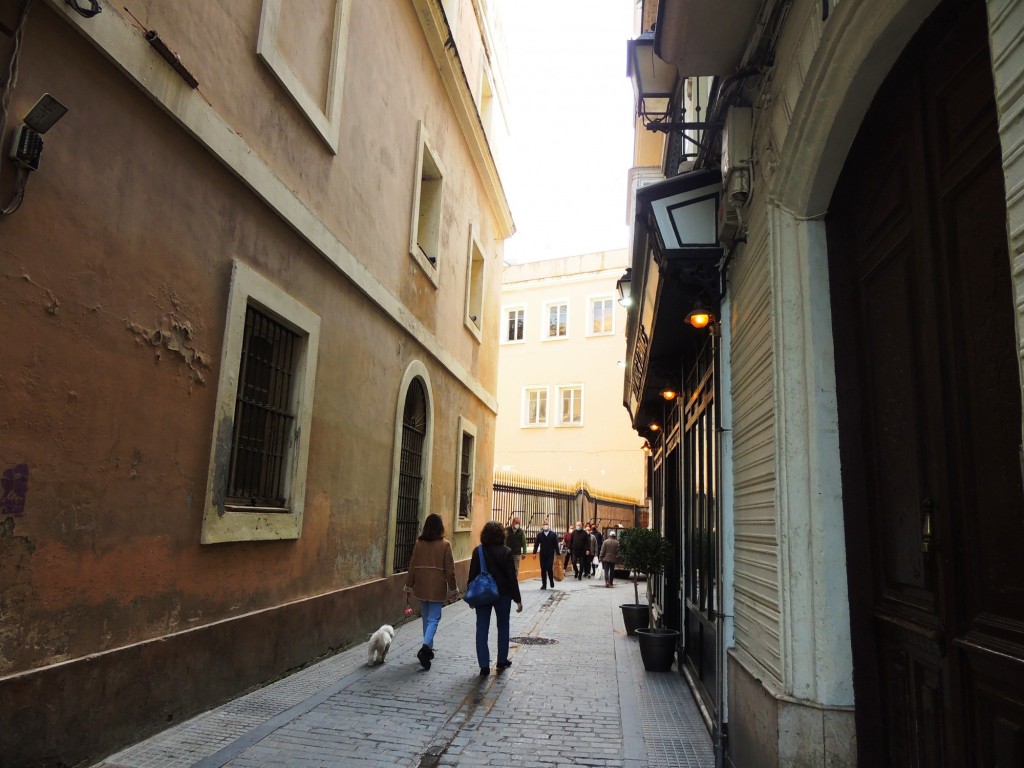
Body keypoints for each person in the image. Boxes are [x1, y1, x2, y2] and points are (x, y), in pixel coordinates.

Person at [404, 513, 459, 670]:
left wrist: (409, 585)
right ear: (440, 527)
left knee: (426, 618)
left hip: (422, 586)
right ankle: (425, 648)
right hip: (437, 587)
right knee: (434, 619)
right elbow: (450, 571)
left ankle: (428, 648)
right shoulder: (445, 545)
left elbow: (412, 566)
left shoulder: (419, 543)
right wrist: (453, 589)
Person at [468, 520, 523, 676]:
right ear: (501, 534)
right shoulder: (506, 552)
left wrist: (471, 598)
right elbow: (512, 578)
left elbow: (472, 575)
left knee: (482, 628)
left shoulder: (478, 551)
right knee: (503, 627)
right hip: (503, 595)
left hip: (482, 594)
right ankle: (501, 660)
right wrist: (517, 599)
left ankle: (484, 665)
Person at [533, 518, 560, 589]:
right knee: (543, 569)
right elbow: (536, 544)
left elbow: (556, 545)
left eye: (546, 524)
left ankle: (551, 580)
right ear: (542, 525)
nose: (545, 525)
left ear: (548, 525)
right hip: (542, 555)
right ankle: (544, 584)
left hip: (550, 554)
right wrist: (534, 553)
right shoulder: (540, 534)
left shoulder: (553, 534)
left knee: (549, 568)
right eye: (544, 524)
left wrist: (558, 553)